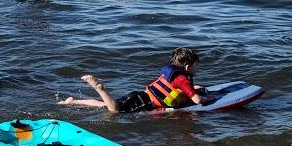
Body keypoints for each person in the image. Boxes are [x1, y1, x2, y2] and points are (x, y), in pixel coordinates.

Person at [62, 47, 203, 113]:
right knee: (115, 110)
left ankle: (74, 101)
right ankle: (100, 88)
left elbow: (175, 89)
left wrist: (194, 88)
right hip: (144, 102)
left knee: (106, 105)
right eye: (196, 66)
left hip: (140, 96)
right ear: (188, 67)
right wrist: (207, 98)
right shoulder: (183, 79)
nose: (197, 69)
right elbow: (197, 100)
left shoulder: (174, 74)